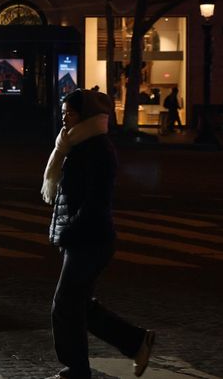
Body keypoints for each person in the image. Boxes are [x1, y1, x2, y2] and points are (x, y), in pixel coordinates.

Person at [42, 88, 155, 379]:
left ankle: (76, 370)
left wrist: (68, 231)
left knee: (64, 305)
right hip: (80, 238)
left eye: (71, 112)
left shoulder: (96, 148)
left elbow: (94, 202)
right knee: (78, 305)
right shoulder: (73, 143)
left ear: (87, 116)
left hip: (89, 240)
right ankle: (135, 341)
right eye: (64, 111)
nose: (65, 118)